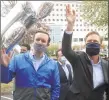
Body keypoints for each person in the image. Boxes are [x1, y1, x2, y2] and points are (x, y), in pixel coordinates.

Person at [62, 4, 108, 100]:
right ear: (84, 44)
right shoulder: (78, 58)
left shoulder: (106, 66)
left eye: (95, 42)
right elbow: (66, 50)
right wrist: (70, 25)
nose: (92, 43)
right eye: (89, 42)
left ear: (101, 45)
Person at [1, 28, 60, 100]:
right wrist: (4, 67)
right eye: (37, 39)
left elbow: (56, 87)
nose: (40, 42)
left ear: (47, 44)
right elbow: (4, 80)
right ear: (33, 41)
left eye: (43, 41)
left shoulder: (53, 64)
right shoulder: (18, 59)